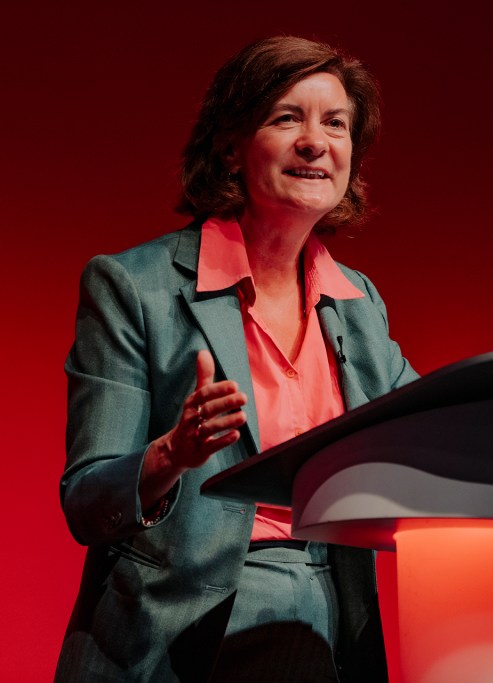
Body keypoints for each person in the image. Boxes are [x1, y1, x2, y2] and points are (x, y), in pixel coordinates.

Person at [56, 36, 417, 682]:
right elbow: (86, 502)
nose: (316, 142)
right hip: (172, 636)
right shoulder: (133, 286)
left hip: (322, 618)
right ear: (231, 145)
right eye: (287, 118)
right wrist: (173, 453)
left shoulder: (359, 304)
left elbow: (424, 431)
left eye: (336, 123)